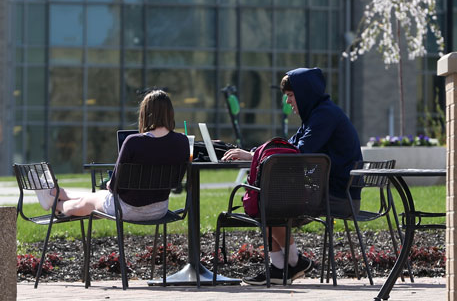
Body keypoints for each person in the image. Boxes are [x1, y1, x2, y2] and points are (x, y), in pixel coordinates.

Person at [222, 67, 363, 285]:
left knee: (268, 199)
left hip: (338, 197)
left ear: (305, 93)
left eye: (290, 95)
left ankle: (289, 263)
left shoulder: (324, 116)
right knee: (266, 196)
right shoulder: (318, 114)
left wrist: (253, 157)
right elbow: (290, 147)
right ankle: (283, 267)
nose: (288, 102)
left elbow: (295, 155)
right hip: (329, 192)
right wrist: (254, 154)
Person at [36, 90, 189, 220]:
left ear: (145, 113)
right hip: (159, 210)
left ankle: (55, 204)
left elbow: (114, 186)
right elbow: (177, 182)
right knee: (94, 196)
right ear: (170, 113)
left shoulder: (133, 142)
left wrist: (109, 184)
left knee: (87, 202)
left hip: (128, 209)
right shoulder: (183, 142)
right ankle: (57, 192)